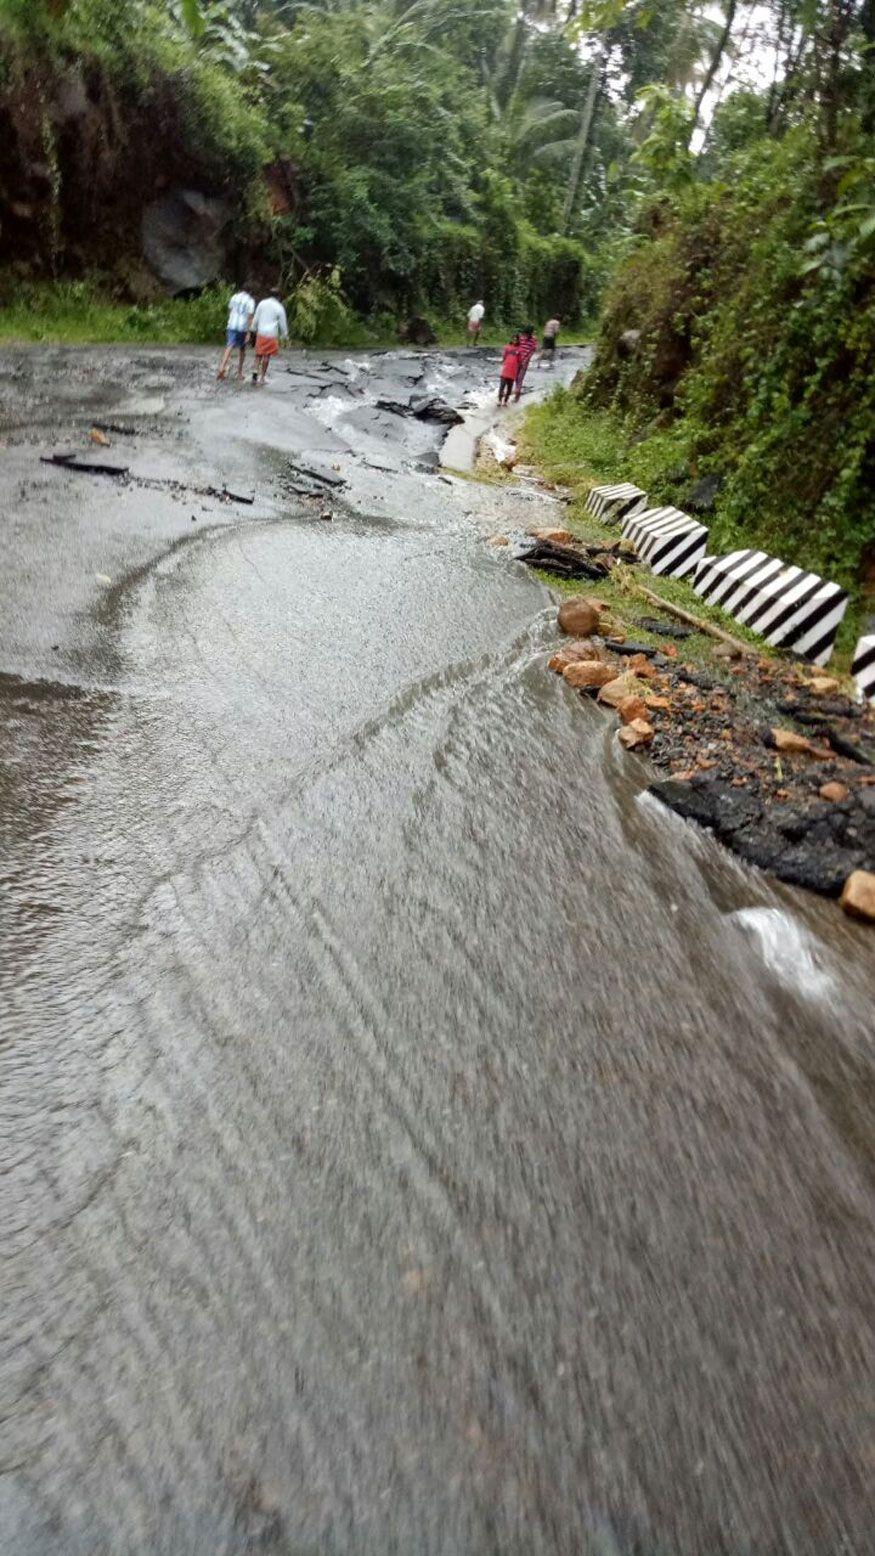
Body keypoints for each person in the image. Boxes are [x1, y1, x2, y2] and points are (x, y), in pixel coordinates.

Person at [217, 284, 255, 381]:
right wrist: (249, 332)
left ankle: (222, 367)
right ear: (250, 292)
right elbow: (250, 317)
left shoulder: (234, 297)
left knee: (229, 345)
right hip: (242, 327)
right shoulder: (250, 301)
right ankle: (239, 372)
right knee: (242, 349)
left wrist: (231, 319)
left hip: (232, 325)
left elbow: (230, 310)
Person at [250, 289, 289, 384]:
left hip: (261, 333)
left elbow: (256, 317)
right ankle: (262, 378)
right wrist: (285, 335)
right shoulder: (279, 307)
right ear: (278, 297)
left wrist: (253, 328)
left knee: (258, 355)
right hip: (271, 335)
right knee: (266, 356)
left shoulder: (262, 303)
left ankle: (254, 377)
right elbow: (283, 324)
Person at [514, 325, 538, 400]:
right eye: (524, 333)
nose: (525, 335)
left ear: (530, 334)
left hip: (525, 361)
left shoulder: (533, 340)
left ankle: (517, 394)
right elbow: (517, 346)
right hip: (517, 360)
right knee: (516, 377)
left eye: (527, 334)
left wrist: (526, 359)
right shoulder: (521, 338)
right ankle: (517, 390)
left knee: (520, 378)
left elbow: (532, 351)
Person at [498, 335, 520, 405]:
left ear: (518, 340)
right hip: (506, 369)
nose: (515, 341)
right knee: (502, 386)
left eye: (516, 339)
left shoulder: (519, 349)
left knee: (509, 388)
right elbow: (504, 356)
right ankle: (499, 401)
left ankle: (505, 401)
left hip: (513, 371)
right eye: (513, 339)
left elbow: (520, 360)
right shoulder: (507, 347)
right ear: (511, 339)